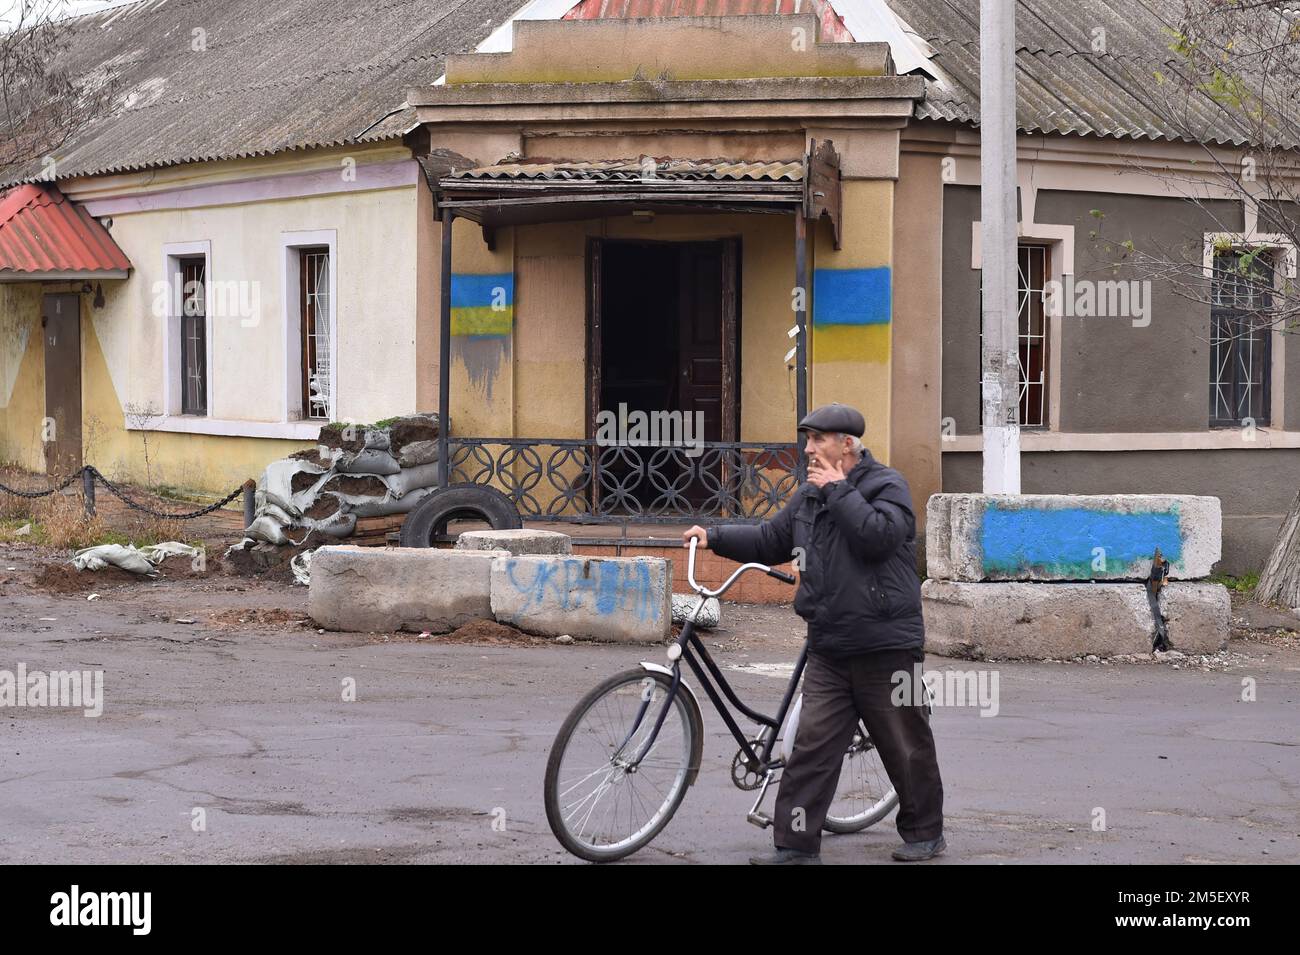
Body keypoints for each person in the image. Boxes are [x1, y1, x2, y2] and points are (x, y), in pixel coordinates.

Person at [682, 402, 945, 864]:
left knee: (904, 744)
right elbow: (770, 540)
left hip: (884, 644)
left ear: (847, 444)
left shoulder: (888, 485)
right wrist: (715, 536)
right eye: (807, 439)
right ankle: (796, 846)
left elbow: (879, 537)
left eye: (818, 439)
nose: (808, 448)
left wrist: (839, 490)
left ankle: (925, 833)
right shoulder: (808, 496)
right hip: (828, 643)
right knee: (811, 749)